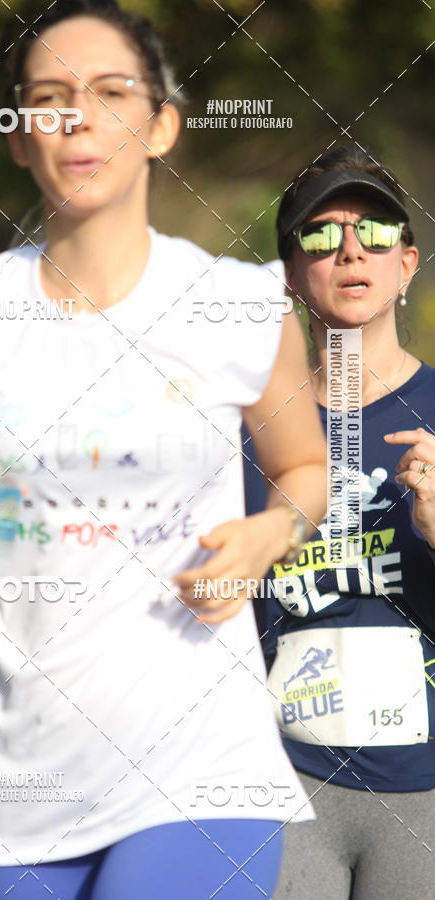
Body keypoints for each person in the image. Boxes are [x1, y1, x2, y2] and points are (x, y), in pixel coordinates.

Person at [0, 2, 327, 897]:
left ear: (161, 127)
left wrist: (270, 534)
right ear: (16, 136)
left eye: (112, 93)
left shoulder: (239, 304)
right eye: (46, 97)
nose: (77, 117)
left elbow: (304, 470)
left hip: (200, 767)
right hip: (16, 785)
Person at [243, 144, 435, 899]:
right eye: (321, 234)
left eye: (375, 232)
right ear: (292, 274)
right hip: (281, 783)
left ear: (406, 263)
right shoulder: (248, 427)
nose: (351, 250)